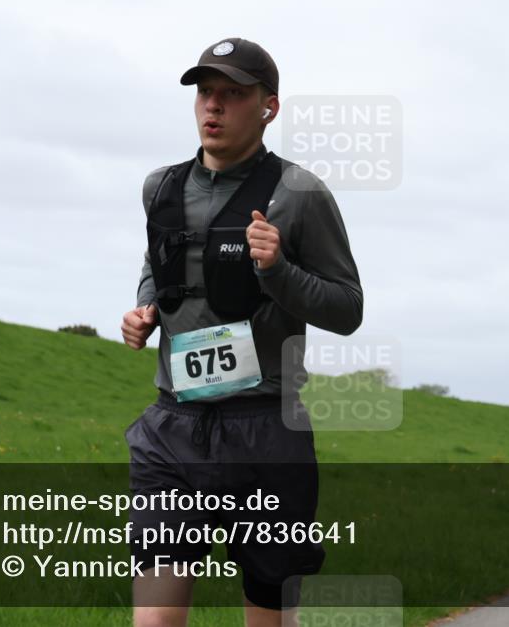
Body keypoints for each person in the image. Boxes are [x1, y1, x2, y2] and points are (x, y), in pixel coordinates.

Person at [120, 37, 363, 627]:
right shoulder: (162, 187)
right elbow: (158, 265)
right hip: (171, 429)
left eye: (233, 93)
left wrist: (277, 271)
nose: (214, 106)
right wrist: (145, 310)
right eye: (206, 92)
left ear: (268, 107)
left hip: (265, 433)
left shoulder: (299, 194)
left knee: (267, 617)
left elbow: (347, 308)